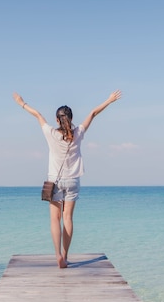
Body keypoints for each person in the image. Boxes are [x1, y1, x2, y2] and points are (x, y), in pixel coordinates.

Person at [12, 90, 122, 268]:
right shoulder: (78, 132)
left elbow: (37, 115)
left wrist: (21, 103)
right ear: (70, 118)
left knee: (54, 219)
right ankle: (65, 255)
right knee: (68, 218)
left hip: (54, 181)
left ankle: (58, 256)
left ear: (57, 120)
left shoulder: (51, 133)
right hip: (72, 181)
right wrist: (109, 100)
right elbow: (93, 113)